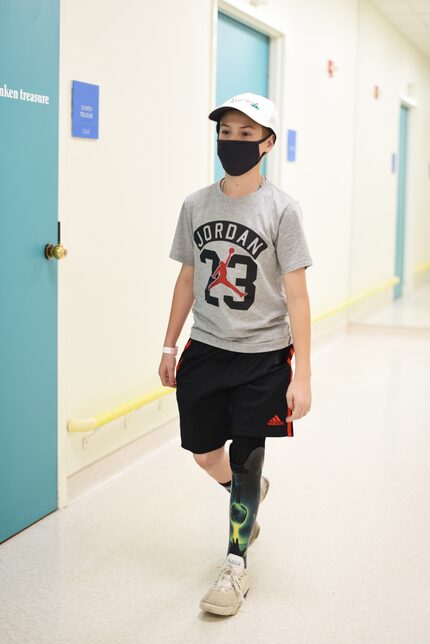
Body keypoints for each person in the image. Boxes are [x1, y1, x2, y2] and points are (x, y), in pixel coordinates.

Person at [159, 92, 313, 616]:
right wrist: (168, 343)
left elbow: (297, 296)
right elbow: (186, 278)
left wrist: (304, 375)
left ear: (267, 144)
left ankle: (235, 565)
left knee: (246, 457)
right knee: (206, 455)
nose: (234, 142)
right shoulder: (195, 204)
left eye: (247, 135)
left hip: (264, 356)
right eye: (226, 132)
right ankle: (246, 491)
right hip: (206, 349)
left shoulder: (283, 210)